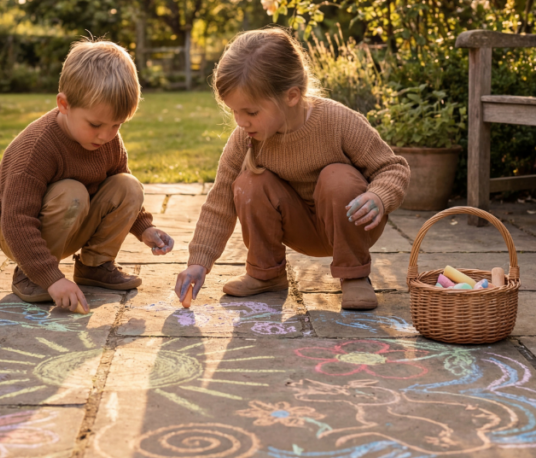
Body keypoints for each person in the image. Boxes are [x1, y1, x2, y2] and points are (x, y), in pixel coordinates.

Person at [174, 27, 409, 310]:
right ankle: (266, 273)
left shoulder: (337, 121)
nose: (240, 122)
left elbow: (392, 168)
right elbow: (220, 200)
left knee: (337, 177)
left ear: (292, 96)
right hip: (298, 227)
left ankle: (354, 275)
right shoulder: (245, 140)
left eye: (250, 112)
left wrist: (379, 197)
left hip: (350, 222)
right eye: (234, 111)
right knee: (249, 183)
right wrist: (199, 263)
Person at [0, 40, 175, 313]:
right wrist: (51, 278)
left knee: (127, 185)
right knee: (72, 193)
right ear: (64, 104)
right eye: (95, 124)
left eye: (116, 124)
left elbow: (118, 185)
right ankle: (29, 273)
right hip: (16, 231)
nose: (106, 135)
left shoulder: (108, 140)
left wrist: (144, 228)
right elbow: (16, 221)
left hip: (72, 220)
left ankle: (95, 265)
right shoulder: (37, 149)